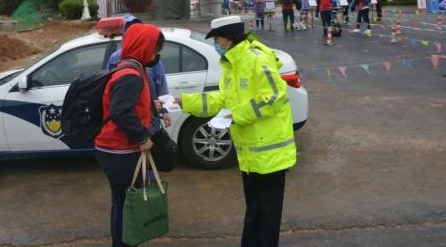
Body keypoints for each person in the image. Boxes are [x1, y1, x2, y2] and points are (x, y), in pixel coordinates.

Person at [175, 16, 296, 247]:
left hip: (270, 155)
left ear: (229, 39)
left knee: (267, 215)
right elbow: (221, 100)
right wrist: (184, 102)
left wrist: (236, 114)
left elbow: (273, 97)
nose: (216, 45)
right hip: (250, 154)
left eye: (217, 39)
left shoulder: (256, 60)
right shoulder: (232, 65)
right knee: (254, 210)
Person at [95, 23, 165, 247]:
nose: (156, 55)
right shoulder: (130, 74)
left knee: (123, 202)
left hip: (117, 149)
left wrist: (151, 105)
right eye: (155, 49)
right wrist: (142, 138)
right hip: (119, 150)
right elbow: (120, 111)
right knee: (126, 203)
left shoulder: (131, 66)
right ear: (143, 46)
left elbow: (128, 104)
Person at [106, 15, 174, 171]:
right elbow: (118, 105)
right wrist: (142, 137)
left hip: (150, 121)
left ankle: (146, 182)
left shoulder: (146, 60)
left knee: (151, 160)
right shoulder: (120, 61)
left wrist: (164, 110)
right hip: (133, 128)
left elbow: (160, 84)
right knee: (136, 165)